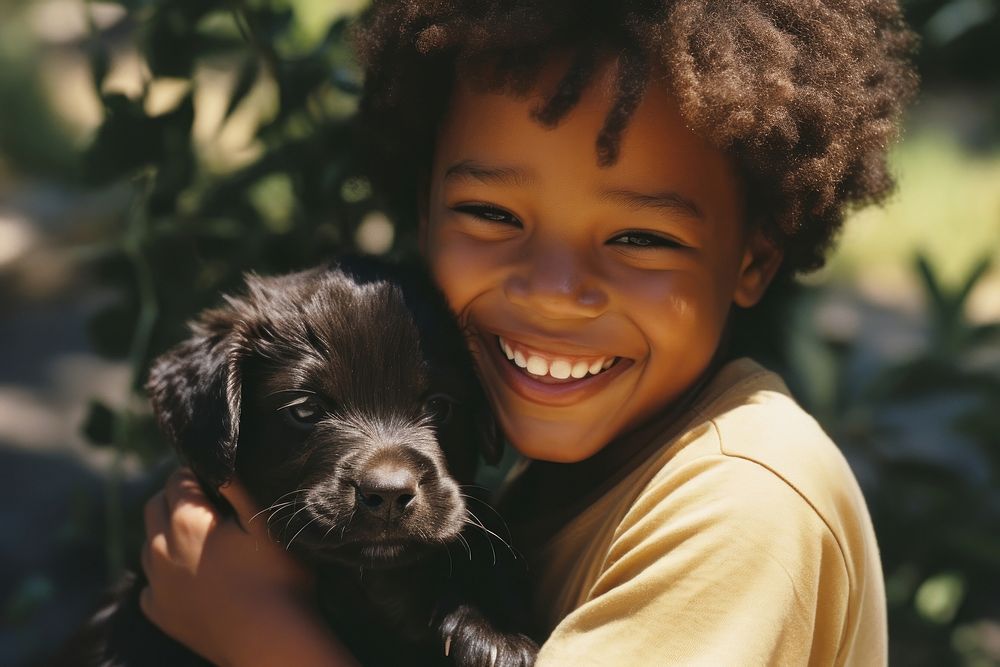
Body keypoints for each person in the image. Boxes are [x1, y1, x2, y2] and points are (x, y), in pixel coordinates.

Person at [138, 1, 918, 665]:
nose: (553, 292)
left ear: (754, 258)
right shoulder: (560, 476)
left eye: (641, 236)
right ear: (425, 209)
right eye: (493, 214)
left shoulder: (746, 505)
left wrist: (263, 635)